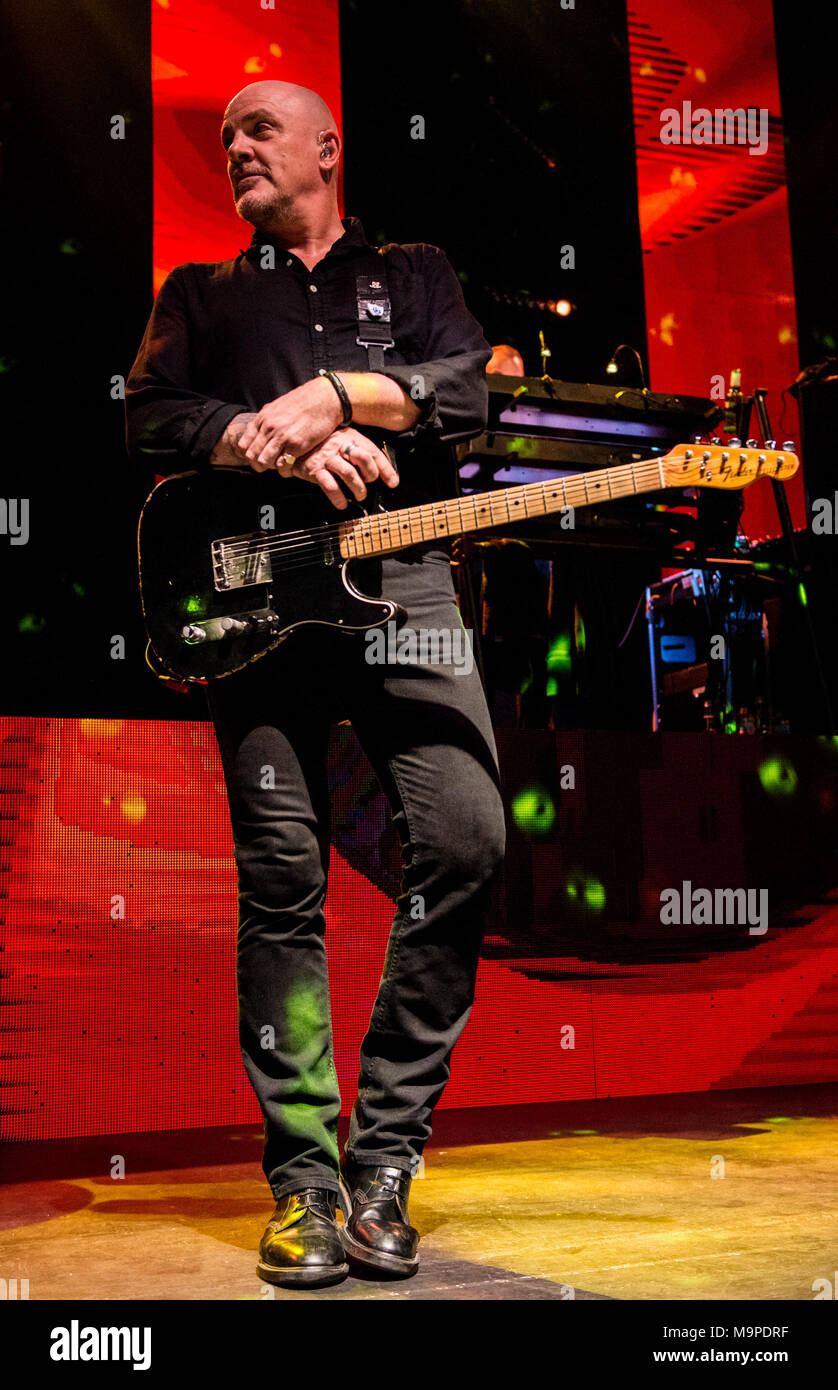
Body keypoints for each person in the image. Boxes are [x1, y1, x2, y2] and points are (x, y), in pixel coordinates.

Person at [125, 80, 506, 1289]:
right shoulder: (199, 295)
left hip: (410, 586)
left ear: (328, 149)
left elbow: (474, 386)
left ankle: (385, 1159)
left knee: (467, 840)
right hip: (263, 606)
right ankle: (304, 1181)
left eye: (258, 130)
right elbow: (148, 415)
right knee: (281, 883)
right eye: (226, 136)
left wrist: (342, 396)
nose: (235, 147)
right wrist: (260, 434)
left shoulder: (419, 268)